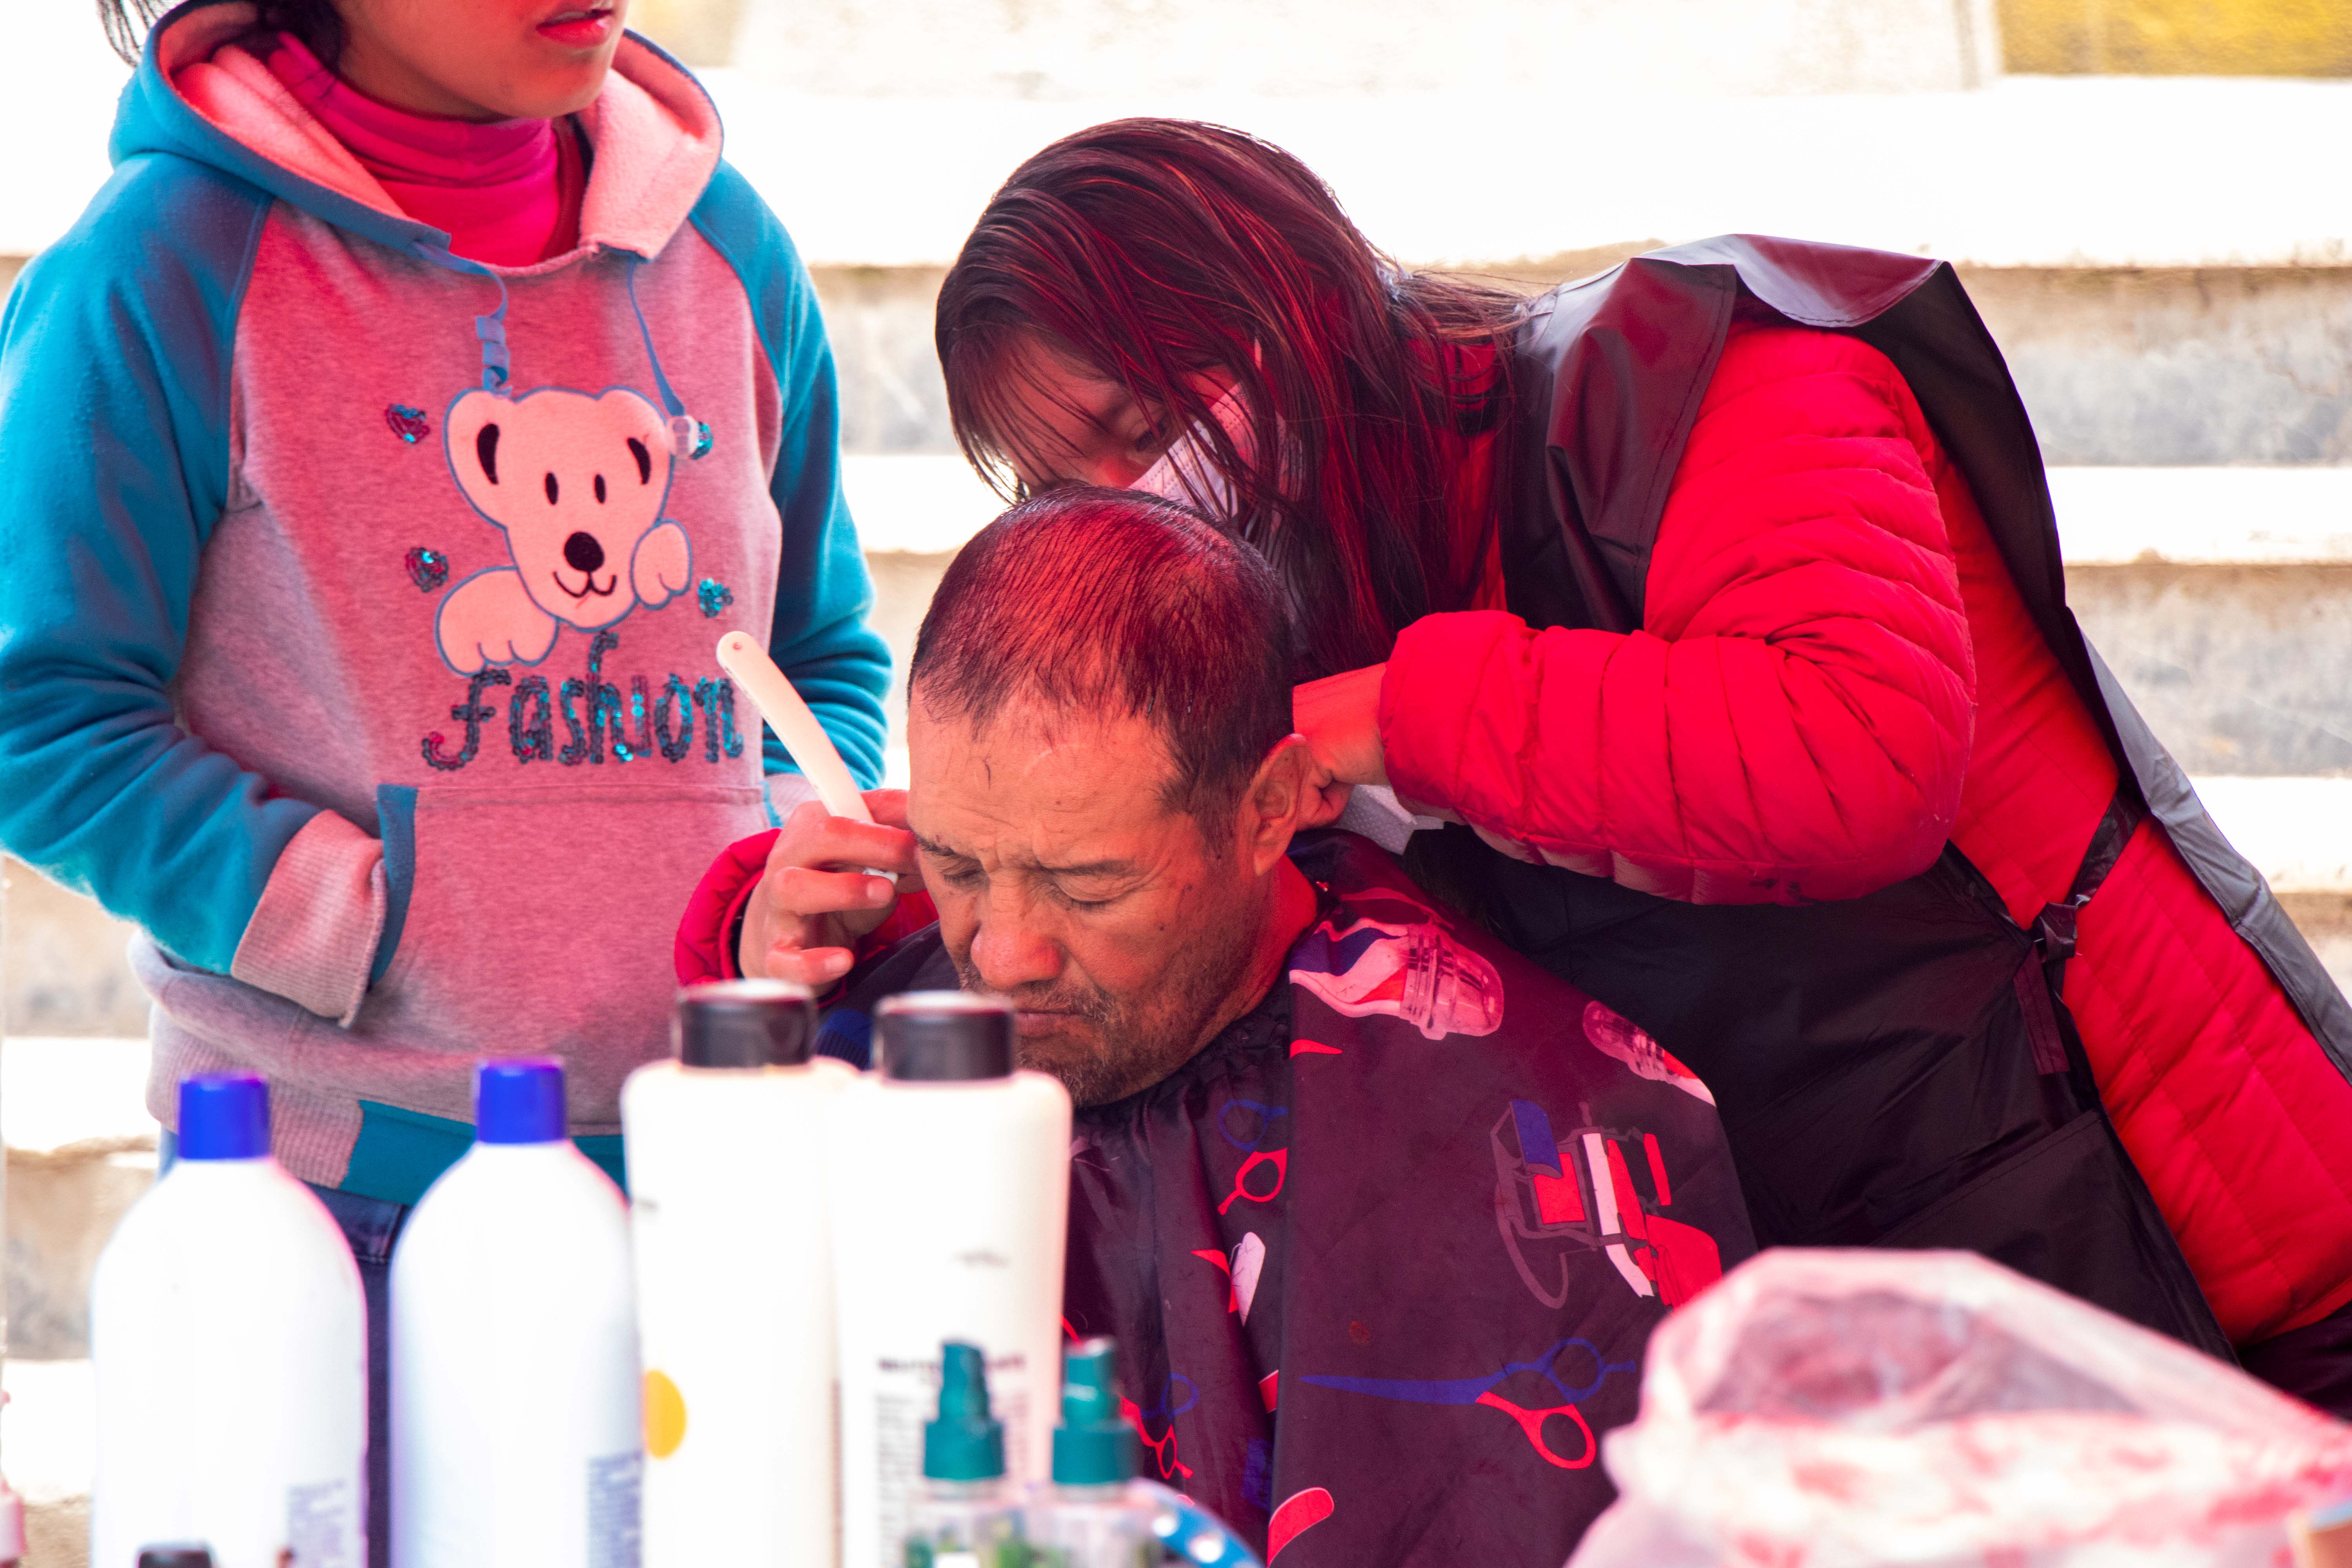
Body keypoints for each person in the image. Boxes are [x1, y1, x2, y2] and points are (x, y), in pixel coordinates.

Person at [922, 120, 2352, 1412]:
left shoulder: (1703, 389)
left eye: (1151, 430)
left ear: (1299, 317)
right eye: (1072, 487)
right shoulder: (1315, 590)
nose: (1139, 506)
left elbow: (1860, 755)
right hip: (1853, 1320)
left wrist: (1399, 720)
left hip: (2194, 1249)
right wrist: (915, 873)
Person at [0, 0, 888, 1555]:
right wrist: (364, 919)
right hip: (334, 1216)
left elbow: (820, 660)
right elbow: (40, 710)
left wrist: (785, 869)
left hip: (715, 1183)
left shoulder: (728, 248)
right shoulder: (164, 265)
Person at [675, 489, 1757, 1564]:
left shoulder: (1559, 1126)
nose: (1002, 955)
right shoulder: (856, 1065)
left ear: (1270, 808)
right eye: (957, 865)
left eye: (1088, 887)